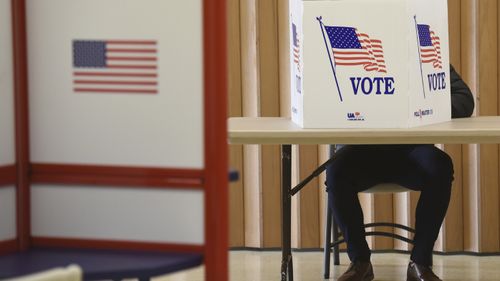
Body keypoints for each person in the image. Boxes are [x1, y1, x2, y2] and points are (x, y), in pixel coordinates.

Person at [326, 65, 475, 281]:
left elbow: (464, 100)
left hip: (410, 150)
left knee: (440, 166)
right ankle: (360, 262)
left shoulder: (422, 55)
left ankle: (420, 262)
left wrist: (418, 108)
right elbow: (323, 101)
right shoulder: (345, 54)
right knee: (336, 170)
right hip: (362, 149)